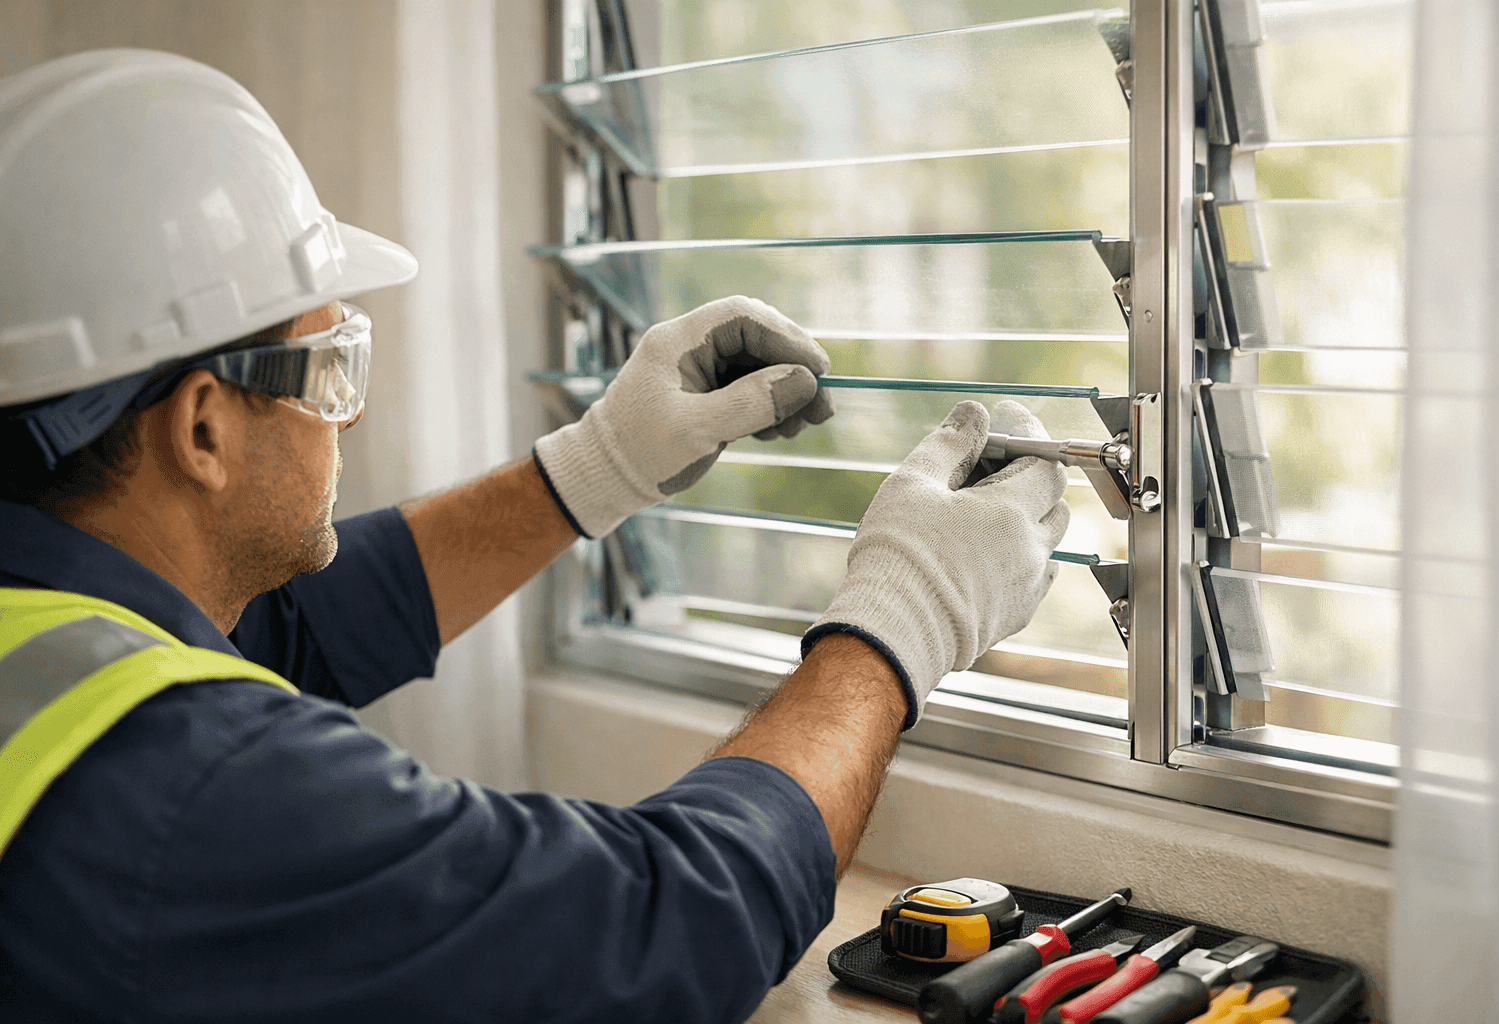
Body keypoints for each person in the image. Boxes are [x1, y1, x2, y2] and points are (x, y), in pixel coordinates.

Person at [0, 50, 1070, 1024]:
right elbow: (662, 928)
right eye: (333, 368)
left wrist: (597, 466)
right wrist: (903, 614)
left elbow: (285, 627)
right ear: (201, 428)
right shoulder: (187, 795)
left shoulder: (47, 641)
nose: (354, 413)